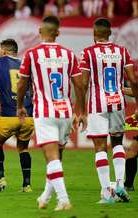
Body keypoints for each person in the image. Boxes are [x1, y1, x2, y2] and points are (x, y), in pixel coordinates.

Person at [17, 16, 85, 211]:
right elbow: (80, 85)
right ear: (58, 32)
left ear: (40, 31)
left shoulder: (32, 54)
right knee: (56, 157)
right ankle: (45, 197)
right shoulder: (69, 54)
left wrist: (20, 105)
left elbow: (22, 83)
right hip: (65, 112)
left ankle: (64, 199)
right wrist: (81, 111)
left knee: (52, 158)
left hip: (44, 112)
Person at [78, 18, 138, 203]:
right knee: (118, 143)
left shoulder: (88, 53)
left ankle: (106, 193)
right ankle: (120, 184)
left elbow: (83, 84)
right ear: (110, 33)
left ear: (94, 34)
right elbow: (134, 81)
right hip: (118, 102)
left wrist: (80, 110)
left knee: (100, 147)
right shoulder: (122, 52)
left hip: (98, 104)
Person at [0, 38, 34, 192]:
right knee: (23, 148)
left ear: (4, 51)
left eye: (0, 49)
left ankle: (0, 178)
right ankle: (27, 185)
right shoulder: (26, 65)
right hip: (28, 116)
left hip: (8, 115)